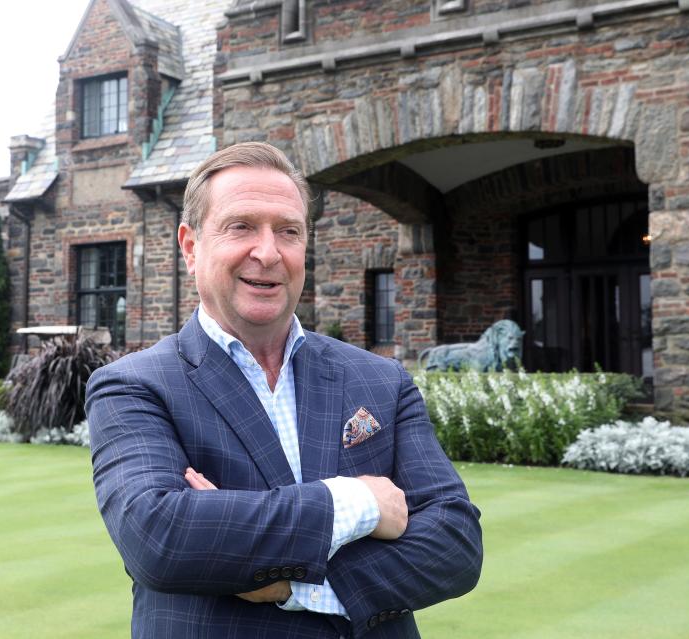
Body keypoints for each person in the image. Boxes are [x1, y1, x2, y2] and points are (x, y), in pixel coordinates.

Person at [86, 142, 483, 639]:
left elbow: (455, 544)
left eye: (288, 231)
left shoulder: (380, 379)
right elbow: (161, 537)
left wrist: (289, 587)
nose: (268, 252)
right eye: (241, 226)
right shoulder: (135, 386)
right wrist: (357, 502)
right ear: (190, 246)